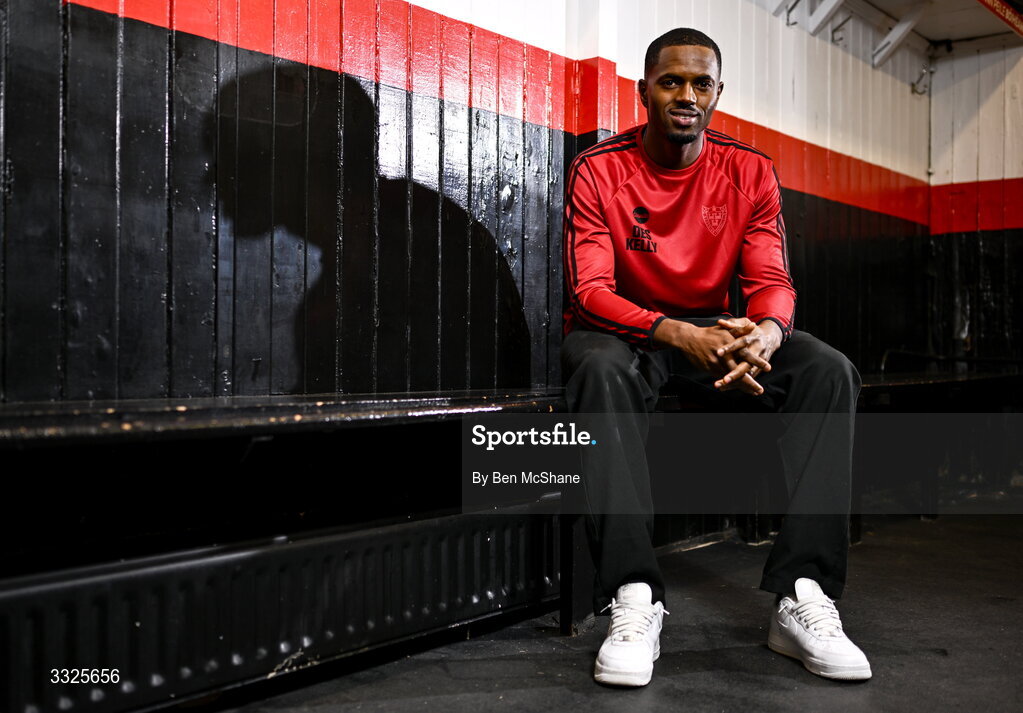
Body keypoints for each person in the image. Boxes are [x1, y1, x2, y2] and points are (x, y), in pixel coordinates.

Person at [561, 27, 870, 687]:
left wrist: (765, 331)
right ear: (644, 90)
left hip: (712, 331)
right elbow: (589, 292)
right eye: (670, 81)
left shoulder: (747, 169)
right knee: (595, 366)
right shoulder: (598, 168)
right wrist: (673, 330)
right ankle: (634, 596)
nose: (685, 95)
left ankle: (802, 592)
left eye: (701, 83)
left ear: (717, 93)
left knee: (826, 369)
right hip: (631, 332)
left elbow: (771, 280)